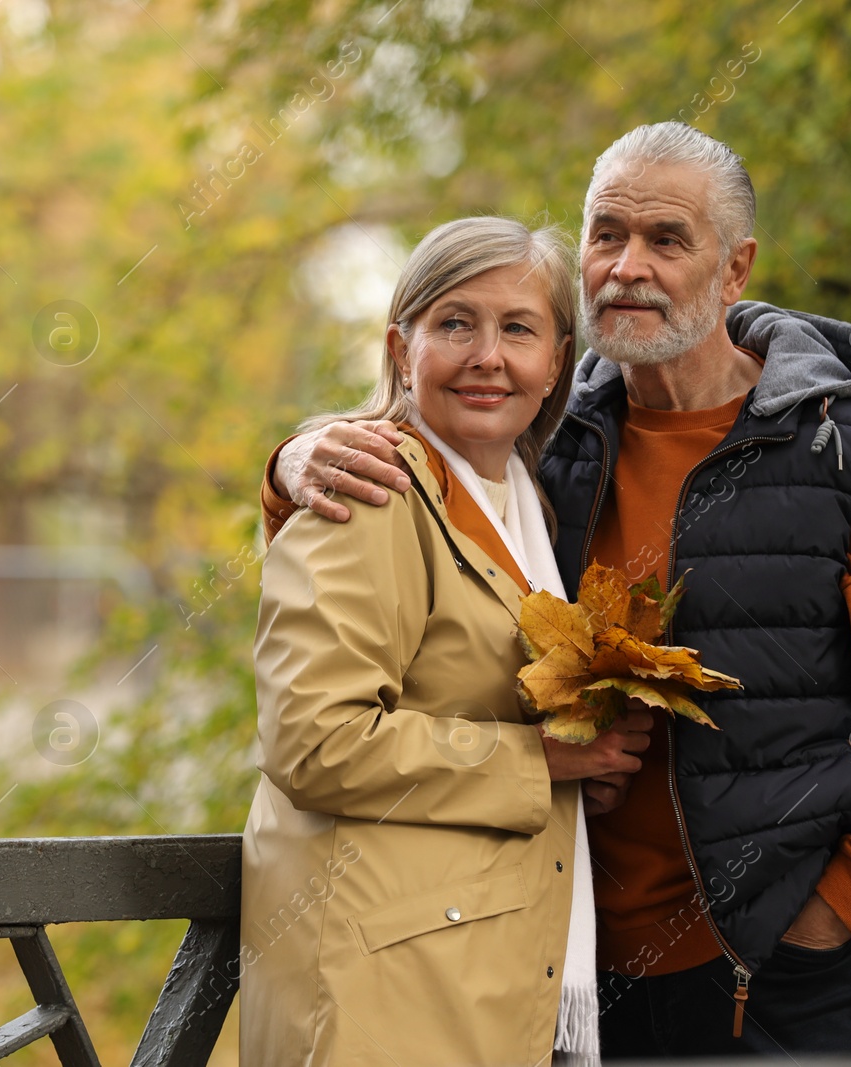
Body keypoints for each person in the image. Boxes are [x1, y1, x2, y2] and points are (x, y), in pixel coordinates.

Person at [258, 123, 851, 1057]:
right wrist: (293, 465)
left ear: (735, 268)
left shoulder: (841, 452)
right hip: (572, 977)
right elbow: (420, 527)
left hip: (781, 983)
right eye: (606, 234)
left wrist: (837, 910)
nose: (628, 266)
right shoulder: (553, 445)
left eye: (667, 240)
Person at [240, 216, 652, 1066]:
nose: (487, 356)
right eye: (455, 323)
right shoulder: (370, 489)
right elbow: (315, 741)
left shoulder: (526, 505)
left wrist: (588, 763)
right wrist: (541, 762)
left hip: (484, 972)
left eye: (518, 329)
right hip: (383, 989)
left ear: (557, 362)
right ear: (402, 349)